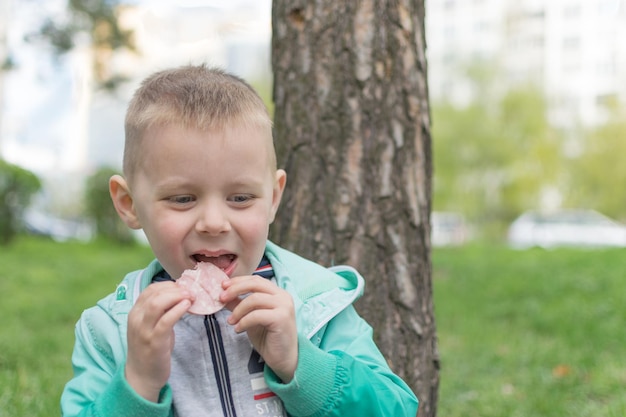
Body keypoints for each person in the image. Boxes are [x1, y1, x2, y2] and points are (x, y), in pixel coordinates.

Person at [61, 64, 419, 417]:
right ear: (129, 204)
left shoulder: (317, 304)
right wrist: (138, 383)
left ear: (274, 198)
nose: (214, 223)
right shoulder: (110, 330)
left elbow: (396, 410)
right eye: (182, 199)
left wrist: (300, 363)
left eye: (241, 198)